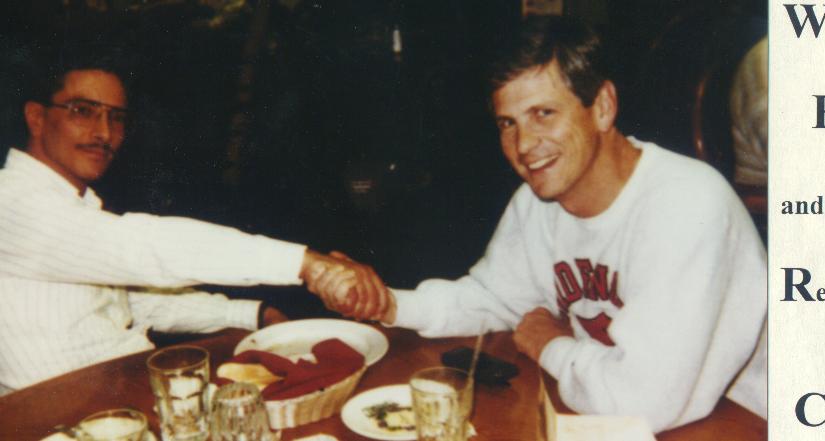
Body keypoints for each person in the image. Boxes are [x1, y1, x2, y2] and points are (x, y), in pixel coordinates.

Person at [316, 17, 767, 432]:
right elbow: (492, 299)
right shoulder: (538, 202)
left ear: (603, 107)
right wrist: (387, 304)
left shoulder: (686, 204)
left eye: (543, 114)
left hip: (746, 419)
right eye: (507, 123)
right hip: (623, 412)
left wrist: (550, 344)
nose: (524, 145)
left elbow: (642, 402)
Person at [0, 49, 383, 394]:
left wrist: (251, 314)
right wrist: (306, 263)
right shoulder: (11, 202)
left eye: (116, 117)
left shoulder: (74, 206)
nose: (104, 133)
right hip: (53, 416)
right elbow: (145, 248)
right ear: (36, 117)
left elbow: (134, 302)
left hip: (120, 390)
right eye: (83, 111)